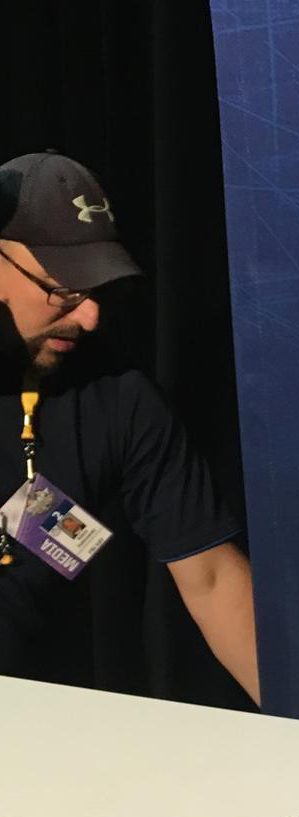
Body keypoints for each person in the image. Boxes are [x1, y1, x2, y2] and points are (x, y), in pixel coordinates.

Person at [0, 151, 259, 703]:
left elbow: (212, 579)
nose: (90, 316)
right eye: (64, 288)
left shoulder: (120, 397)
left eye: (98, 289)